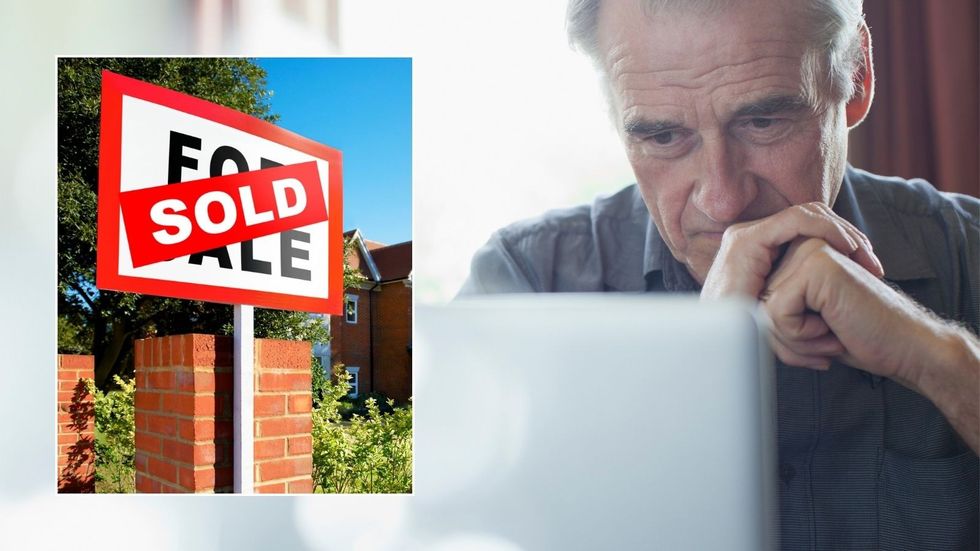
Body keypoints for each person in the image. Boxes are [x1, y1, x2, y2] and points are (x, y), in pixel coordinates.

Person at [458, 0, 979, 547]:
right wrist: (699, 370)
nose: (724, 202)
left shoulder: (965, 250)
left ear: (857, 74)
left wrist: (936, 360)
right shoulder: (525, 284)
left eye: (763, 121)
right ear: (613, 111)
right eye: (663, 137)